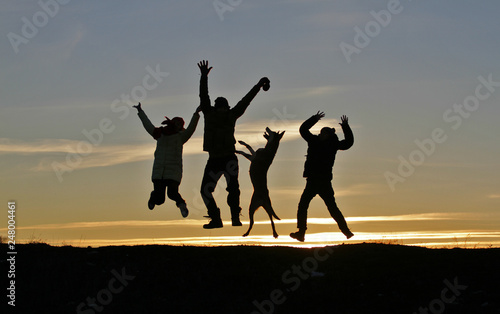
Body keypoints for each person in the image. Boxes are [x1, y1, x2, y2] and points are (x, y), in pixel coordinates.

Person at [197, 60, 270, 229]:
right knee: (205, 190)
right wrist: (203, 77)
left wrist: (259, 86)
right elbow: (203, 96)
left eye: (224, 108)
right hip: (215, 159)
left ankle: (235, 217)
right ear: (216, 108)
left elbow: (246, 100)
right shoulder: (209, 113)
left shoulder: (231, 115)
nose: (222, 110)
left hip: (229, 158)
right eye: (220, 107)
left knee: (233, 189)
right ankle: (216, 219)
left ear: (226, 107)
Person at [290, 111, 354, 242]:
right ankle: (301, 233)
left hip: (318, 181)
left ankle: (346, 231)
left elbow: (348, 143)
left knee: (319, 207)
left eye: (322, 133)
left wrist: (345, 127)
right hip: (319, 181)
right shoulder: (325, 143)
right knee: (308, 206)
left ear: (327, 135)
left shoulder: (323, 143)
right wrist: (314, 118)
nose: (320, 134)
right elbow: (303, 130)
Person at [133, 102, 201, 217]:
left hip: (173, 172)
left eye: (180, 124)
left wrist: (196, 114)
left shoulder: (181, 137)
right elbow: (148, 125)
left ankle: (182, 206)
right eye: (176, 123)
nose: (178, 125)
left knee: (172, 193)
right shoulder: (160, 133)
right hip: (159, 171)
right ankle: (153, 198)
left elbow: (191, 129)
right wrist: (140, 111)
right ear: (172, 123)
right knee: (160, 199)